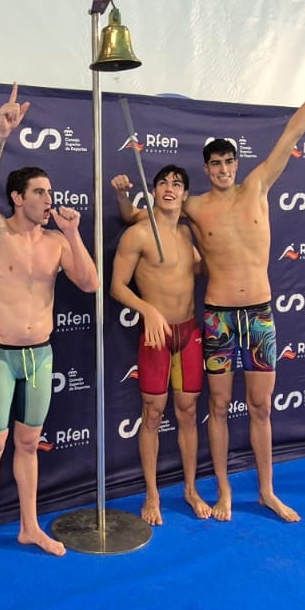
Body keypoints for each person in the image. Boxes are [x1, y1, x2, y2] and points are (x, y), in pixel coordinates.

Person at [123, 42, 305, 521]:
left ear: (236, 164)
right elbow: (151, 215)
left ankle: (266, 491)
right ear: (205, 170)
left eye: (228, 163)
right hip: (219, 318)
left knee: (261, 407)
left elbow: (294, 130)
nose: (222, 170)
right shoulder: (194, 206)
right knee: (218, 407)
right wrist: (124, 205)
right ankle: (223, 490)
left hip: (260, 315)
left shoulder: (259, 187)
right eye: (214, 165)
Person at [0, 84, 100, 573]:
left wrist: (74, 232)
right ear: (17, 197)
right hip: (0, 355)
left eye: (50, 192)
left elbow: (90, 282)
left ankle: (29, 524)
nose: (48, 198)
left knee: (26, 444)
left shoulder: (58, 241)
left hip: (41, 356)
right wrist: (0, 133)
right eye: (39, 192)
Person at [109, 166, 210, 525]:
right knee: (152, 414)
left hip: (190, 333)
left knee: (187, 412)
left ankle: (190, 488)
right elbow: (117, 286)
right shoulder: (138, 233)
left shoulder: (190, 233)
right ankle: (152, 495)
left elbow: (197, 270)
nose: (170, 188)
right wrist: (147, 309)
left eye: (177, 184)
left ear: (184, 195)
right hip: (156, 336)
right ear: (153, 191)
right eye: (163, 183)